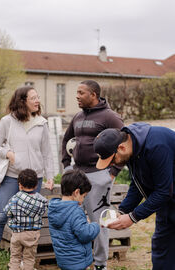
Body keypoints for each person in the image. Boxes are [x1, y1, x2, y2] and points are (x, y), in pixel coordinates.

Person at [0, 86, 54, 270]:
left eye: (38, 97)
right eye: (33, 98)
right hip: (12, 177)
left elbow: (47, 153)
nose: (37, 101)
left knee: (30, 221)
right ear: (22, 101)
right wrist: (8, 153)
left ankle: (23, 262)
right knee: (1, 217)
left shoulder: (42, 122)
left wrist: (50, 176)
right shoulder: (7, 121)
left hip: (36, 178)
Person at [93, 123, 175, 270]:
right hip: (167, 205)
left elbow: (163, 191)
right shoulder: (132, 150)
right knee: (161, 251)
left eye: (112, 160)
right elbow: (137, 184)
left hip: (167, 196)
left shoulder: (157, 145)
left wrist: (133, 217)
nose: (112, 165)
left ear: (121, 148)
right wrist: (122, 211)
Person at [61, 80, 123, 270]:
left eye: (81, 93)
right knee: (75, 219)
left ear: (94, 94)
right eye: (77, 92)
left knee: (98, 221)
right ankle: (81, 260)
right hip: (77, 174)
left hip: (99, 175)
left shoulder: (110, 117)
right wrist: (66, 165)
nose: (77, 96)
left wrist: (113, 172)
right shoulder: (78, 116)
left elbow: (124, 143)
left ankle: (100, 264)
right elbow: (66, 139)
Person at [48, 169, 100, 270]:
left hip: (63, 261)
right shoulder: (75, 211)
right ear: (76, 192)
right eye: (84, 196)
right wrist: (94, 226)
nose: (83, 200)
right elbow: (85, 234)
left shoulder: (54, 209)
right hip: (78, 261)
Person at [4, 169, 48, 270]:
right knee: (29, 258)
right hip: (32, 234)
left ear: (20, 185)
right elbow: (42, 211)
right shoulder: (41, 201)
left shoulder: (15, 199)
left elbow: (7, 212)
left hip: (17, 233)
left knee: (15, 258)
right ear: (36, 185)